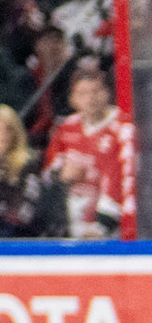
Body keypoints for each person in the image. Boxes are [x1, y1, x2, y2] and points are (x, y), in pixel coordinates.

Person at [42, 61, 131, 238]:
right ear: (72, 99)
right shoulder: (66, 129)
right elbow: (48, 174)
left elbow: (121, 181)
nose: (90, 98)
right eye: (82, 93)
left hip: (107, 228)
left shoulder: (122, 128)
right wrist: (60, 174)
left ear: (107, 94)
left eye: (96, 91)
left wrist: (102, 226)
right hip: (71, 224)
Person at [0, 104, 61, 236]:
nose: (2, 135)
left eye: (7, 129)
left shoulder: (30, 163)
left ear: (15, 132)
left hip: (16, 233)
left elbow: (26, 210)